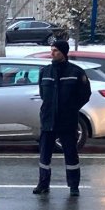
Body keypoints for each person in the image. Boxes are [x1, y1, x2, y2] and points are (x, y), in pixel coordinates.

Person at [33, 39, 91, 197]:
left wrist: (71, 108)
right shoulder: (45, 72)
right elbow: (43, 94)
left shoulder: (76, 72)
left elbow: (85, 95)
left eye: (56, 51)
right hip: (48, 120)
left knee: (71, 154)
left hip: (67, 120)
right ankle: (43, 183)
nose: (52, 53)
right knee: (44, 155)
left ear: (64, 53)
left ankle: (73, 186)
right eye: (52, 50)